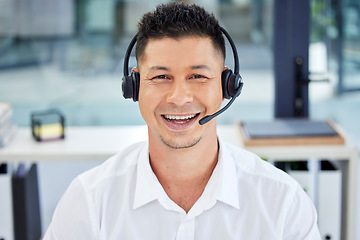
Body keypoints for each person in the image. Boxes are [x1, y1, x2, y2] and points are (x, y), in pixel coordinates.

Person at [43, 2, 321, 239]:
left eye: (198, 76)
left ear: (227, 86)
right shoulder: (90, 201)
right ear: (134, 86)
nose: (178, 97)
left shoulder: (283, 202)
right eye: (161, 76)